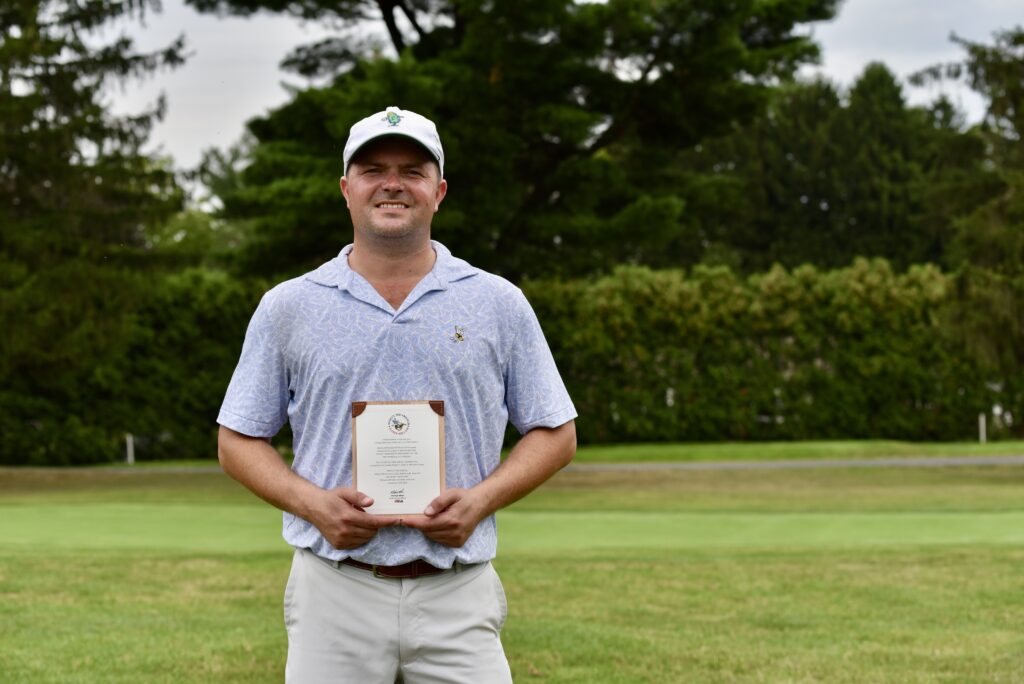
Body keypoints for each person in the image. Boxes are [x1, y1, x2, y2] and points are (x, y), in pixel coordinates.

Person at [217, 106, 577, 683]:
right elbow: (236, 440)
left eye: (412, 170)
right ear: (346, 189)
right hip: (334, 588)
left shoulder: (498, 302)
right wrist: (313, 506)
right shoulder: (289, 305)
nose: (392, 183)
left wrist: (481, 501)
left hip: (457, 588)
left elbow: (556, 432)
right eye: (372, 169)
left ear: (439, 191)